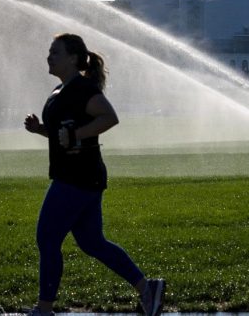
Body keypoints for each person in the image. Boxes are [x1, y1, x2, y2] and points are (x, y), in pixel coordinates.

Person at [24, 33, 165, 316]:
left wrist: (76, 134)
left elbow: (109, 118)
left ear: (73, 58)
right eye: (49, 51)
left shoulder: (82, 89)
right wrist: (41, 130)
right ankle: (148, 288)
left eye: (55, 52)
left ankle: (44, 308)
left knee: (48, 237)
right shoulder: (58, 91)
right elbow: (62, 134)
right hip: (80, 177)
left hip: (76, 177)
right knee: (92, 242)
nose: (49, 56)